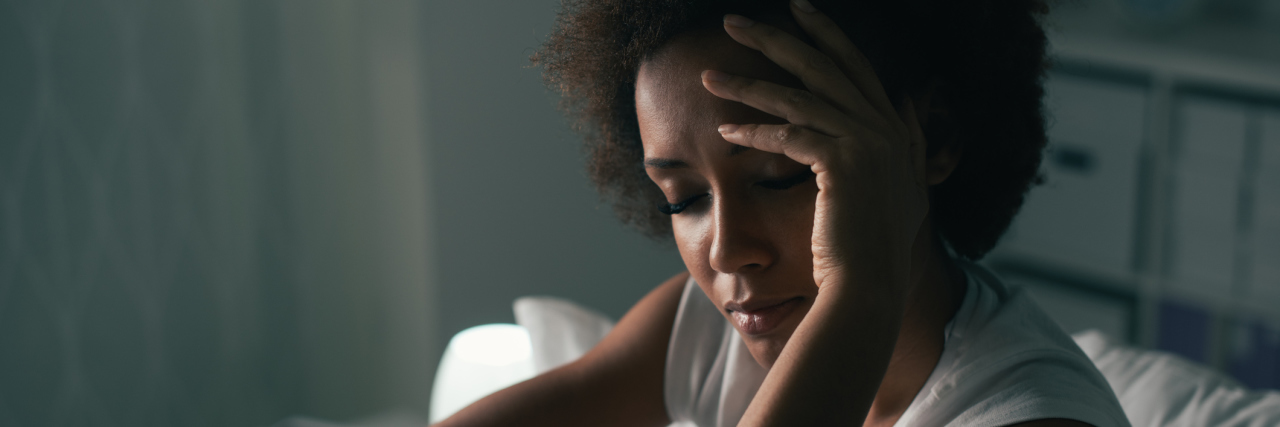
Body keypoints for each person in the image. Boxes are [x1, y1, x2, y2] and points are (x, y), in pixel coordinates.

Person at [435, 0, 1131, 425]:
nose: (726, 250)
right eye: (686, 198)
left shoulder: (1030, 416)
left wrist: (861, 292)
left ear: (933, 140)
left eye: (778, 177)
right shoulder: (711, 334)